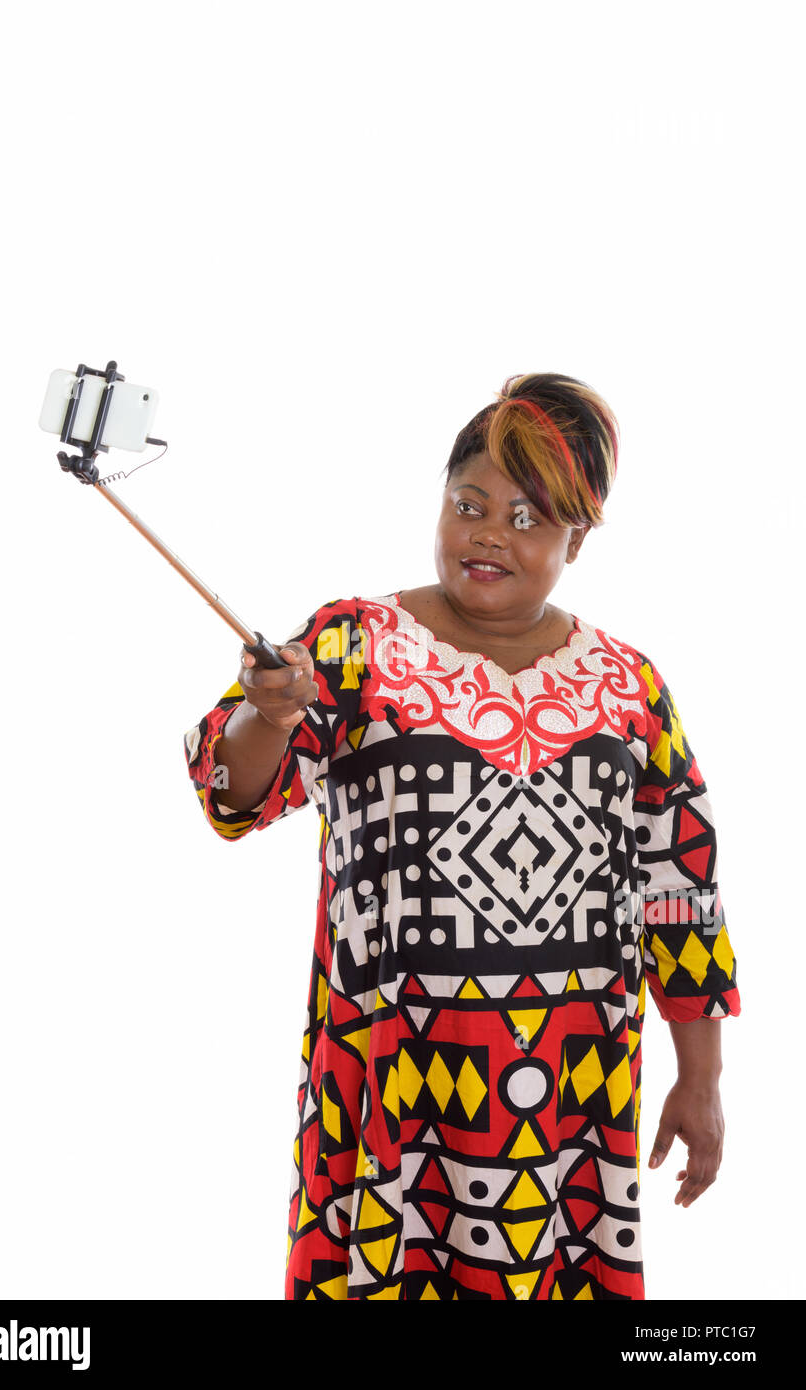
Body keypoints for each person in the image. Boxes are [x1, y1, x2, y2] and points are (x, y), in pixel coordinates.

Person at [183, 372, 740, 1301]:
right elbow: (233, 792)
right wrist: (270, 716)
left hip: (571, 1101)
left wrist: (702, 1079)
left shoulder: (627, 685)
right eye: (468, 503)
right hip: (390, 1085)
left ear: (578, 535)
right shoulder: (351, 645)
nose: (488, 532)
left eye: (527, 518)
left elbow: (680, 886)